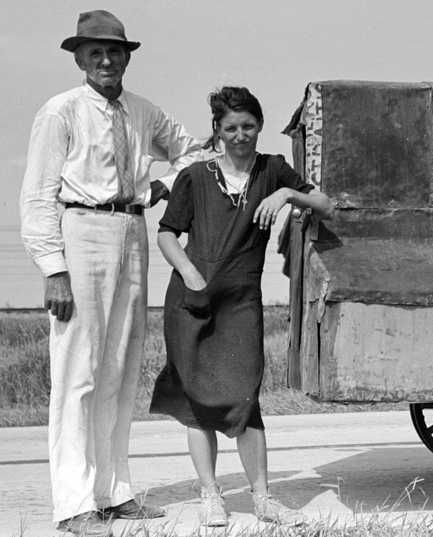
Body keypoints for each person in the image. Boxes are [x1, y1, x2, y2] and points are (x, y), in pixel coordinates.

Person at [19, 10, 200, 537]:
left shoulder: (143, 111)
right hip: (81, 232)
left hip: (131, 231)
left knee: (119, 368)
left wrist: (158, 186)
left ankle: (113, 491)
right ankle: (75, 502)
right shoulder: (61, 112)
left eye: (114, 51)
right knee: (78, 371)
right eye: (95, 52)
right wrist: (53, 269)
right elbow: (36, 195)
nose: (106, 60)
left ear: (127, 57)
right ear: (79, 58)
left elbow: (190, 152)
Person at [149, 86, 333, 527]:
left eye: (248, 126)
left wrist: (287, 196)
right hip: (191, 300)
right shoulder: (194, 176)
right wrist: (191, 274)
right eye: (230, 127)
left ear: (259, 127)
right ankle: (211, 494)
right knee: (197, 402)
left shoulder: (273, 171)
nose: (240, 135)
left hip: (240, 301)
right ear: (216, 130)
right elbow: (167, 233)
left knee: (245, 398)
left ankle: (264, 498)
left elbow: (325, 204)